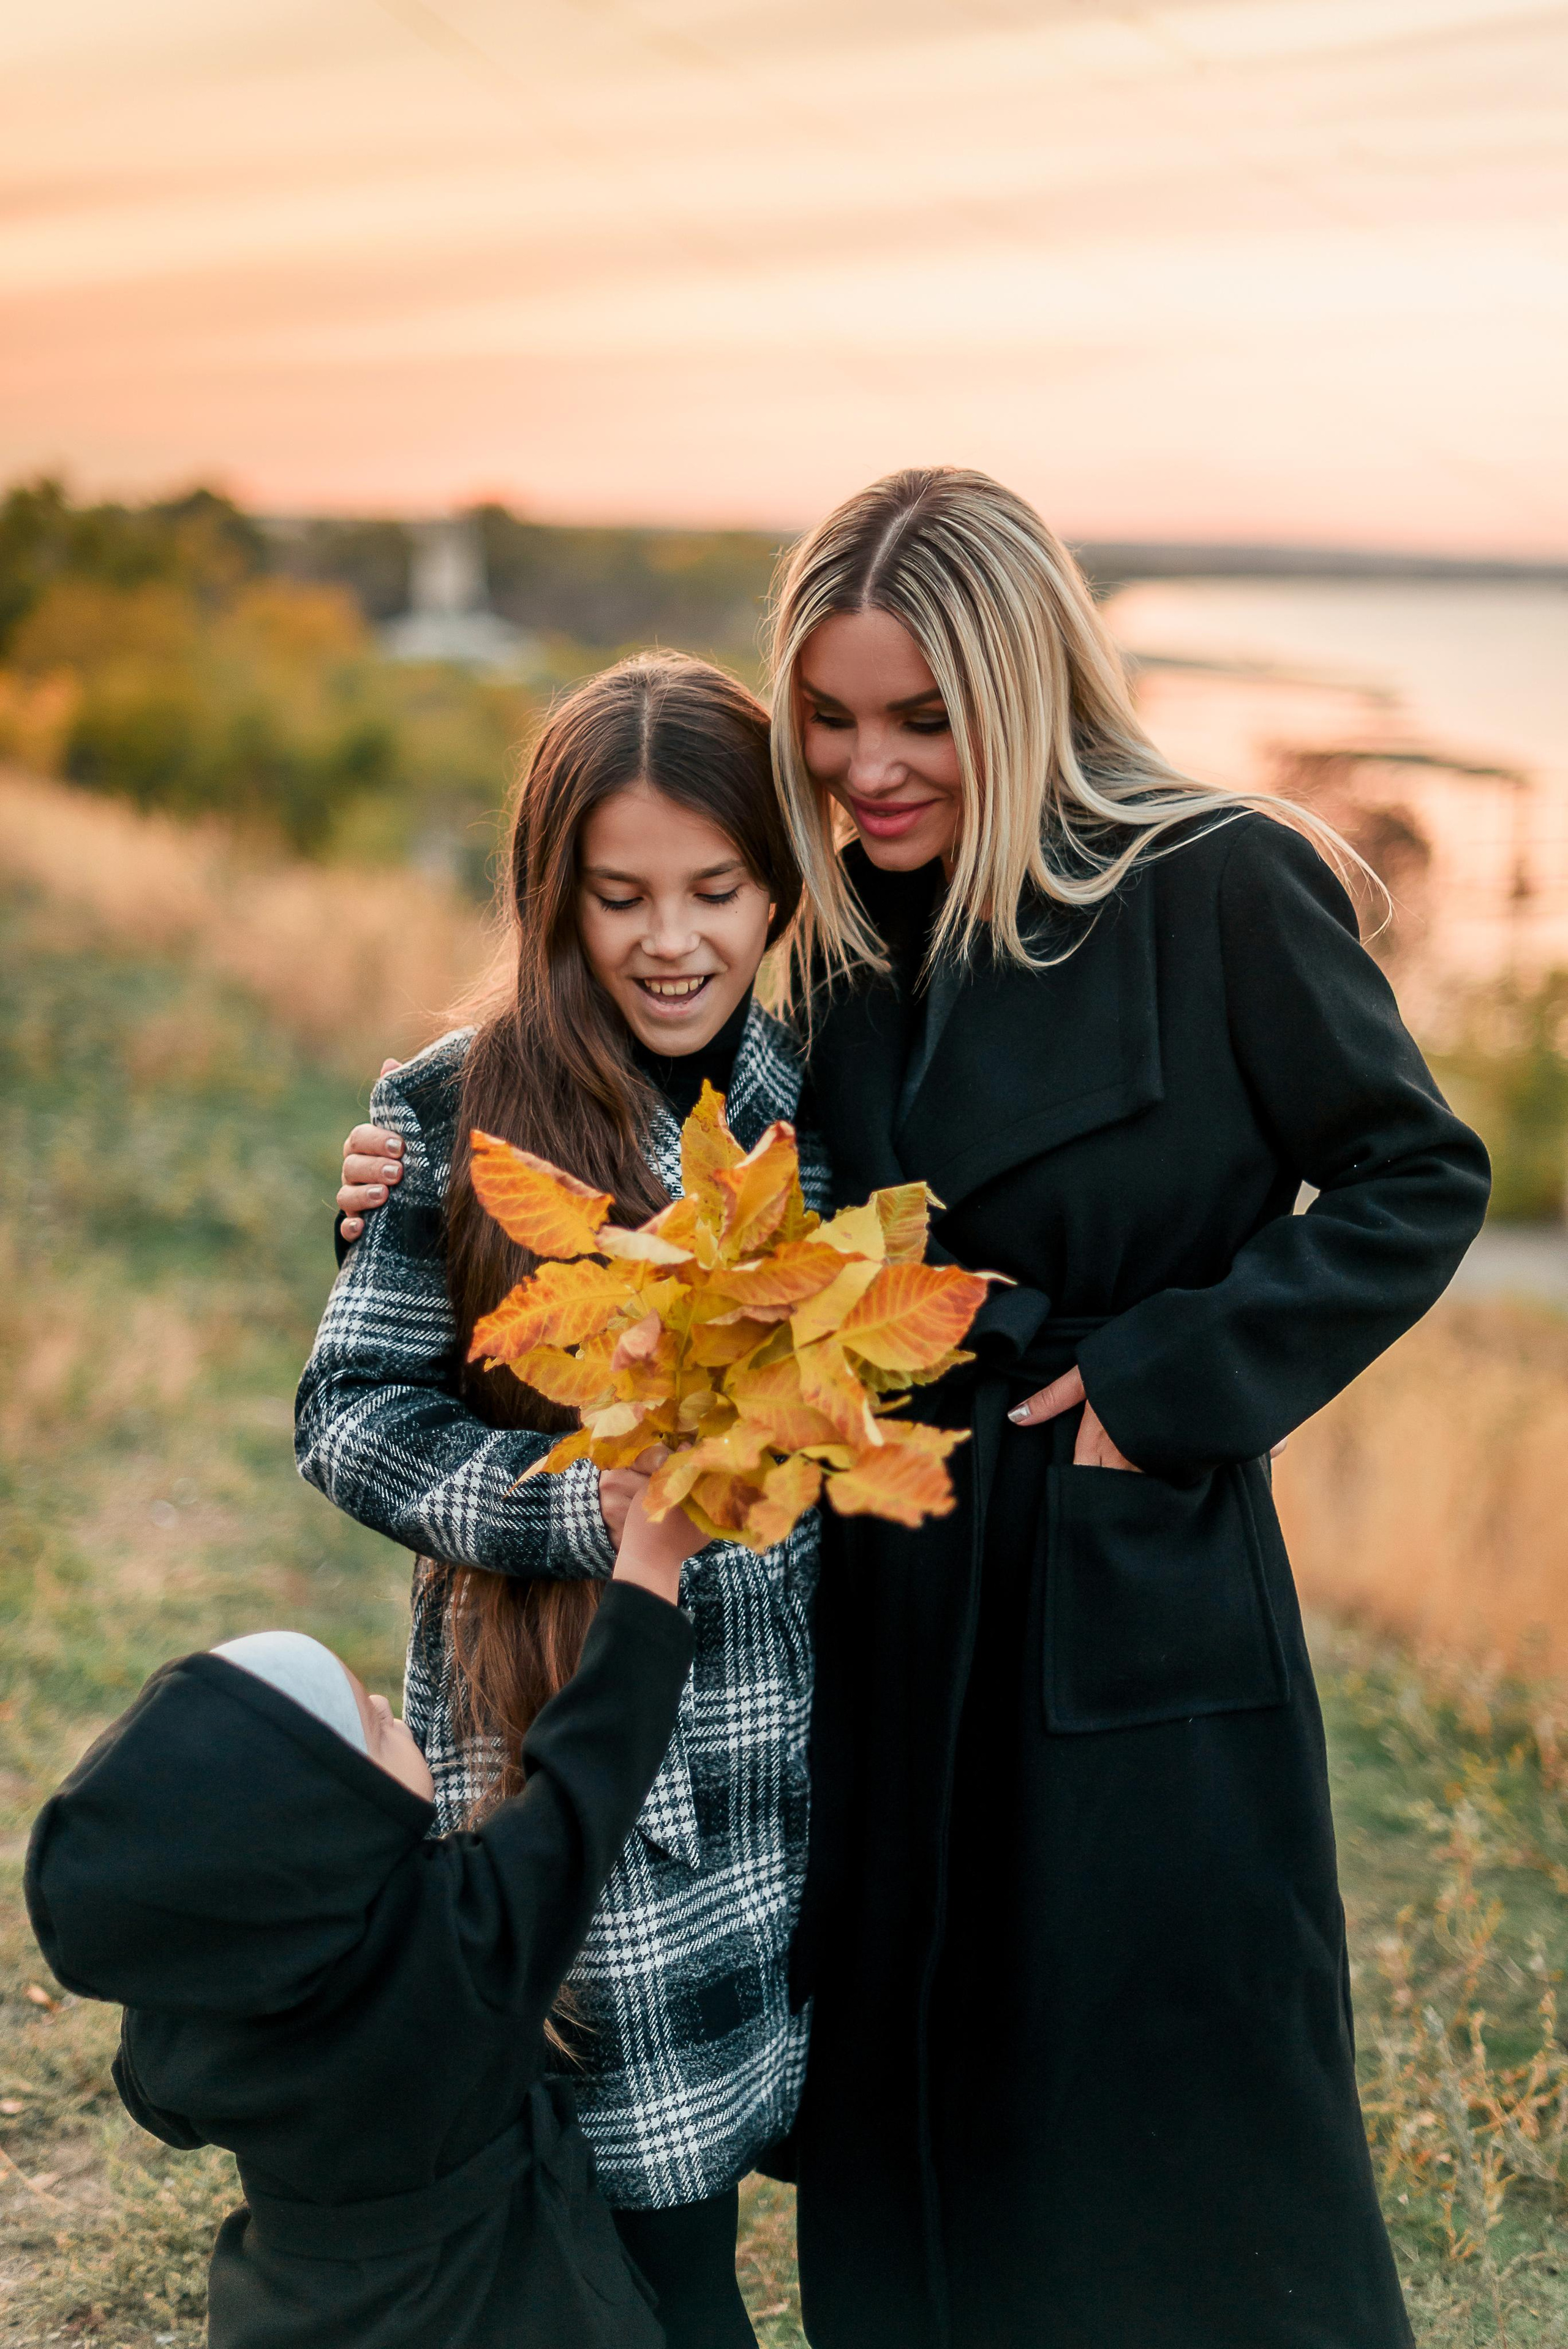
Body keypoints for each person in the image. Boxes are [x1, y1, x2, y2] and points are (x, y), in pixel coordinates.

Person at [333, 469, 1490, 2347]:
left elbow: (1414, 1178)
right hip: (877, 1586)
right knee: (918, 2133)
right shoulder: (844, 928)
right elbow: (641, 1084)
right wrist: (404, 1169)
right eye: (834, 720)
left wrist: (1156, 1383)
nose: (871, 768)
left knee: (1165, 2124)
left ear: (1021, 686)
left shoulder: (1220, 885)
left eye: (922, 720)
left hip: (1129, 1587)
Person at [296, 653, 829, 2349]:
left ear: (779, 888)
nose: (671, 940)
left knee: (728, 2228)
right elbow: (349, 1414)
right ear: (555, 896)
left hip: (779, 1772)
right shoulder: (456, 1107)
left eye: (715, 891)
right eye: (621, 897)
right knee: (619, 2263)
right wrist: (582, 1510)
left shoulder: (820, 1105)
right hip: (565, 1774)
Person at [24, 1499, 703, 2349]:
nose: (389, 1703)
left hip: (295, 2315)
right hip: (507, 2302)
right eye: (375, 1727)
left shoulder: (184, 2010)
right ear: (325, 1828)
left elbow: (157, 2104)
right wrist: (651, 1567)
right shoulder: (454, 1938)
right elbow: (585, 1781)